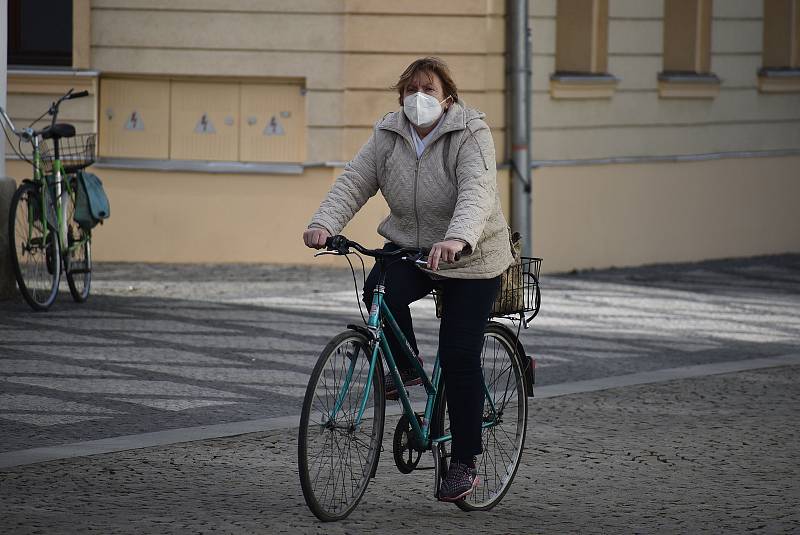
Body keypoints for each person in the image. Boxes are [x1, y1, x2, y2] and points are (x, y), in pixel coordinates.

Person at [302, 57, 514, 502]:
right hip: (414, 250)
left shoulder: (470, 133)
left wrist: (457, 238)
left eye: (429, 89)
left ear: (447, 98)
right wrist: (324, 223)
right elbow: (355, 181)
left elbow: (478, 190)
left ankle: (464, 461)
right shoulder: (388, 133)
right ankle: (405, 370)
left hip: (470, 257)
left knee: (458, 356)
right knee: (378, 286)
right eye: (411, 89)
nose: (419, 97)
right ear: (401, 97)